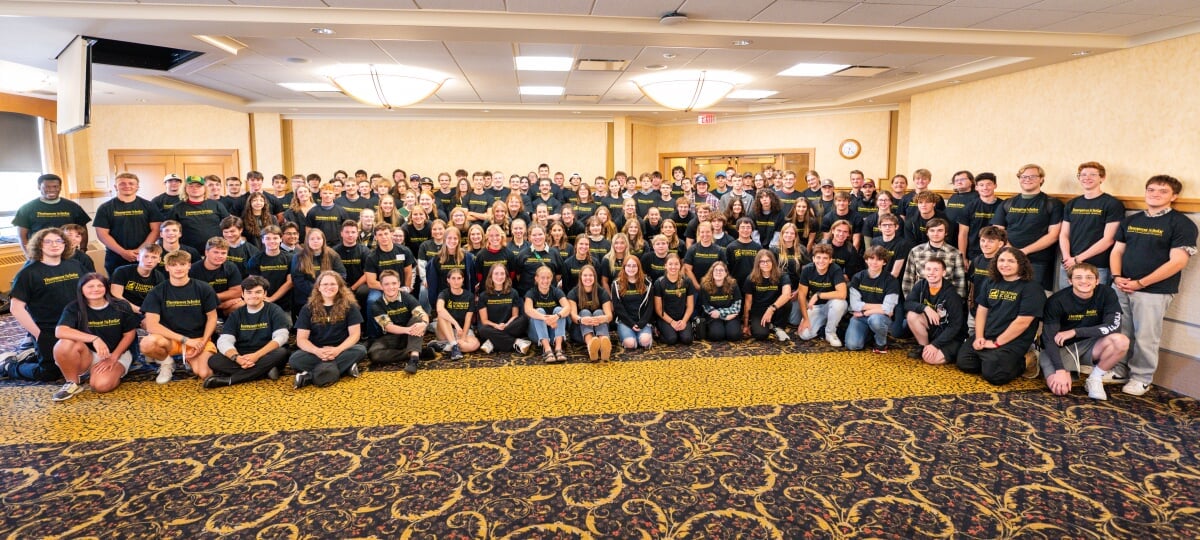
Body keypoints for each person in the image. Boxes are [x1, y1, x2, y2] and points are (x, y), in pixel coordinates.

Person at [1110, 174, 1197, 396]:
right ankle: (1118, 370)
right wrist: (1116, 276)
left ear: (1174, 196)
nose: (1155, 194)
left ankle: (1141, 378)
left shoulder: (1181, 224)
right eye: (1151, 190)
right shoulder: (1132, 220)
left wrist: (1141, 283)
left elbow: (1178, 261)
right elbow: (1117, 251)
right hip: (1122, 286)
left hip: (1153, 291)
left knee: (1146, 336)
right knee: (1121, 331)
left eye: (1162, 191)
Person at [0, 229, 85, 381]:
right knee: (49, 373)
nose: (54, 245)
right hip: (47, 330)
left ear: (64, 244)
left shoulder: (75, 265)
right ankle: (10, 366)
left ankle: (31, 353)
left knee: (80, 363)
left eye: (58, 241)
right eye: (48, 241)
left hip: (76, 325)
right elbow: (16, 308)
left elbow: (88, 291)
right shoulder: (28, 272)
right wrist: (38, 334)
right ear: (39, 245)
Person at [958, 247, 1046, 385]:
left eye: (1011, 261)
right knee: (965, 362)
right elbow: (982, 310)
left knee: (995, 376)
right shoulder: (991, 281)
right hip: (989, 333)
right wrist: (979, 336)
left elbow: (1023, 322)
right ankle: (992, 359)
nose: (1005, 264)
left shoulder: (1032, 288)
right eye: (1001, 260)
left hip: (1014, 339)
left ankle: (1028, 359)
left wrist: (997, 343)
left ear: (1021, 264)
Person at [1041, 263, 1128, 400]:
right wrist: (1060, 369)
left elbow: (1113, 326)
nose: (1084, 281)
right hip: (1062, 347)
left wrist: (1076, 332)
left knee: (1121, 341)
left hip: (1089, 344)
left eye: (1089, 277)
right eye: (1078, 277)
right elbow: (1048, 338)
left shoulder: (1107, 293)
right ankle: (1059, 365)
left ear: (1097, 281)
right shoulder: (1057, 301)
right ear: (1070, 281)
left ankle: (1095, 378)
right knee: (1060, 389)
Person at [50, 273, 139, 401]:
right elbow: (60, 331)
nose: (95, 289)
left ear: (106, 288)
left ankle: (102, 374)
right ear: (82, 289)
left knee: (101, 386)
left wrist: (113, 358)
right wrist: (94, 339)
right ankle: (72, 383)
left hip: (116, 353)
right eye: (90, 286)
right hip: (88, 354)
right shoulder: (74, 308)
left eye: (99, 285)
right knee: (63, 344)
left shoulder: (121, 306)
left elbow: (130, 334)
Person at [139, 250, 219, 384]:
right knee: (147, 344)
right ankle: (166, 363)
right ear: (166, 267)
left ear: (189, 266)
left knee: (205, 374)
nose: (179, 268)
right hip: (171, 339)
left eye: (182, 264)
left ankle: (190, 359)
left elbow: (212, 318)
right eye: (174, 265)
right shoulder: (157, 291)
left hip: (198, 339)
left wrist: (202, 343)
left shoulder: (203, 288)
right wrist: (185, 340)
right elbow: (152, 325)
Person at [203, 276, 291, 388]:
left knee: (282, 353)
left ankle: (231, 380)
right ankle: (263, 371)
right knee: (214, 361)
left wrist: (257, 355)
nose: (253, 296)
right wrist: (237, 358)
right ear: (243, 295)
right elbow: (224, 340)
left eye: (258, 292)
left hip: (267, 352)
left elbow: (281, 337)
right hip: (243, 352)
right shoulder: (236, 314)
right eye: (249, 292)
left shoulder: (274, 310)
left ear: (265, 294)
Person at [990, 164, 1063, 290]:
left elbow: (1053, 235)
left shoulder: (1052, 203)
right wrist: (1012, 251)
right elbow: (997, 231)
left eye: (1033, 176)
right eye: (1023, 176)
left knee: (1033, 295)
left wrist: (1024, 251)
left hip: (1038, 262)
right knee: (1009, 294)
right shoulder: (1007, 203)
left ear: (1041, 179)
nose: (1027, 179)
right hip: (1008, 258)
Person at [291, 271, 367, 389]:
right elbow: (301, 339)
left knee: (361, 350)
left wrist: (337, 350)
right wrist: (317, 351)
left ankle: (309, 377)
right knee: (295, 359)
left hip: (342, 349)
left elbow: (355, 335)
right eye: (325, 284)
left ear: (339, 287)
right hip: (316, 351)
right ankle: (345, 369)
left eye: (333, 284)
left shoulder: (350, 306)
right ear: (318, 288)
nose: (329, 287)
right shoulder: (307, 308)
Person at [1059, 162, 1125, 286]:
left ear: (1102, 178)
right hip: (1069, 265)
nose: (1087, 178)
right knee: (1066, 302)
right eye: (1083, 175)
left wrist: (1078, 259)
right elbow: (1064, 234)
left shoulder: (1112, 204)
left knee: (1094, 304)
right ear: (1079, 178)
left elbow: (1108, 239)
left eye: (1093, 175)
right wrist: (1068, 258)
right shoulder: (1072, 204)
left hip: (1096, 266)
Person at [94, 172, 163, 277]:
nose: (127, 186)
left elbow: (156, 230)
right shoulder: (105, 208)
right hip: (115, 256)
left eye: (131, 183)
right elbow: (102, 234)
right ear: (115, 186)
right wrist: (122, 252)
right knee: (116, 289)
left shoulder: (149, 206)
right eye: (122, 183)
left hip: (145, 256)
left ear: (137, 186)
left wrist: (141, 251)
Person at [902, 258, 965, 365]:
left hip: (951, 335)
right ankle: (924, 347)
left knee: (930, 359)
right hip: (935, 328)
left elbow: (955, 326)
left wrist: (936, 344)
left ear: (943, 272)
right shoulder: (921, 285)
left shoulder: (951, 294)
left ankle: (955, 351)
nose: (931, 272)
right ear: (924, 271)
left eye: (936, 270)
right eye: (928, 269)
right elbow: (907, 303)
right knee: (912, 315)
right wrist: (926, 308)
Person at [368, 269, 430, 374]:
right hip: (392, 336)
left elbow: (422, 314)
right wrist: (408, 330)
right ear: (381, 286)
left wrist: (424, 324)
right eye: (386, 284)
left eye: (394, 283)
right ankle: (415, 352)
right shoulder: (376, 305)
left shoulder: (408, 298)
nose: (391, 287)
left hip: (410, 336)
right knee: (374, 354)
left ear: (399, 284)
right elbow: (388, 327)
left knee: (418, 320)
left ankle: (414, 359)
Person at [14, 173, 91, 256]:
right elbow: (22, 235)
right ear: (39, 187)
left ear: (60, 188)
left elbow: (83, 230)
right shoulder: (27, 208)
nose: (51, 190)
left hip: (69, 253)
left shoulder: (73, 207)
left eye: (55, 186)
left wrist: (83, 249)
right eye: (47, 187)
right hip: (40, 254)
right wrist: (30, 255)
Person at [846, 246, 901, 352]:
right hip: (860, 318)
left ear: (884, 262)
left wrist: (864, 313)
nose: (874, 262)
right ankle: (871, 334)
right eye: (871, 258)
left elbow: (888, 310)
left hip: (879, 317)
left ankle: (881, 343)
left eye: (879, 259)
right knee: (852, 345)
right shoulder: (858, 277)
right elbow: (855, 305)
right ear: (866, 260)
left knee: (875, 320)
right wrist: (881, 306)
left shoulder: (891, 281)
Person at [901, 218, 967, 300]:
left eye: (940, 230)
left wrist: (955, 303)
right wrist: (910, 301)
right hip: (920, 298)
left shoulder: (955, 253)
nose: (935, 234)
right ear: (927, 233)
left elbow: (959, 282)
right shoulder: (915, 251)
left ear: (946, 233)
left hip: (946, 299)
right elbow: (908, 279)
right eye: (932, 230)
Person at [475, 263, 532, 356]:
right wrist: (496, 326)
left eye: (502, 274)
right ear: (491, 276)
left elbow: (515, 316)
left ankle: (493, 342)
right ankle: (516, 342)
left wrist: (505, 325)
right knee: (482, 329)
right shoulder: (483, 295)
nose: (499, 276)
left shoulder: (513, 293)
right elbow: (485, 320)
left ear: (506, 276)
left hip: (509, 325)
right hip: (491, 327)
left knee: (524, 320)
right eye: (496, 274)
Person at [796, 244, 847, 346]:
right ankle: (824, 325)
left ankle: (830, 332)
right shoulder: (807, 270)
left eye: (825, 258)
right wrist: (805, 318)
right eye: (818, 257)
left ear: (830, 260)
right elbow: (801, 295)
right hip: (816, 307)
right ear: (813, 259)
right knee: (804, 335)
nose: (821, 261)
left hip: (832, 305)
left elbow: (842, 294)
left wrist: (818, 295)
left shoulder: (835, 269)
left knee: (839, 303)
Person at [166, 175, 231, 253]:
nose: (195, 188)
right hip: (187, 251)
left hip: (216, 250)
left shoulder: (217, 205)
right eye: (191, 186)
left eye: (198, 186)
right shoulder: (177, 208)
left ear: (205, 188)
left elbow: (229, 225)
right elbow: (168, 229)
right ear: (185, 189)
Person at [744, 249, 795, 342]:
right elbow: (748, 303)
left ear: (773, 262)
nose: (765, 264)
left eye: (768, 261)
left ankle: (778, 327)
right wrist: (746, 325)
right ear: (757, 264)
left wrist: (771, 309)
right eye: (762, 261)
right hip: (759, 310)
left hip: (776, 308)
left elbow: (787, 294)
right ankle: (770, 326)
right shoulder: (751, 278)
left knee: (787, 302)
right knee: (761, 335)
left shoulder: (782, 275)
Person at [290, 228, 347, 312]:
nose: (315, 241)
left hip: (330, 295)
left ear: (323, 240)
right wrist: (319, 290)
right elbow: (298, 280)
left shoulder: (333, 255)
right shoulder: (298, 257)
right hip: (306, 297)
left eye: (318, 238)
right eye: (312, 239)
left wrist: (327, 290)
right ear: (307, 241)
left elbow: (341, 275)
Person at [567, 264, 614, 362]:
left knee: (599, 312)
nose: (588, 278)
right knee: (584, 312)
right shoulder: (573, 292)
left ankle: (603, 344)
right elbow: (573, 316)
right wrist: (582, 320)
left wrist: (603, 318)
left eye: (590, 275)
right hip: (579, 331)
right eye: (585, 275)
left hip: (599, 329)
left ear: (595, 277)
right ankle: (590, 345)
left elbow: (609, 316)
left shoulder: (601, 292)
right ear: (580, 277)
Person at [525, 266, 571, 363]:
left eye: (548, 278)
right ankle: (547, 349)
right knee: (539, 311)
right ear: (536, 279)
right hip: (537, 334)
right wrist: (545, 319)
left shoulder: (556, 291)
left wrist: (556, 316)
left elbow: (568, 308)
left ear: (551, 279)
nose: (545, 281)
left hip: (553, 332)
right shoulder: (531, 292)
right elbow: (528, 310)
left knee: (559, 310)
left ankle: (558, 348)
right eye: (542, 278)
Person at [189, 237, 245, 316]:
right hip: (201, 307)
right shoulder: (193, 269)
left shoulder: (231, 267)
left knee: (241, 304)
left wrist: (214, 299)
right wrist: (220, 305)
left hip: (224, 305)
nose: (220, 256)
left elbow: (237, 292)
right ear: (206, 252)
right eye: (216, 252)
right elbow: (191, 296)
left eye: (223, 253)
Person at [246, 225, 294, 314]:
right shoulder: (255, 260)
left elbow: (290, 283)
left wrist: (271, 299)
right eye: (268, 238)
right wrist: (262, 299)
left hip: (285, 305)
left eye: (275, 238)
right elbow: (253, 283)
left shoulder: (290, 258)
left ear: (281, 239)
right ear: (263, 240)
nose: (272, 241)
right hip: (262, 303)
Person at [434, 268, 480, 361]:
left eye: (459, 278)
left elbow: (468, 319)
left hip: (462, 331)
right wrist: (455, 324)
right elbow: (439, 309)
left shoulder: (469, 296)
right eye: (453, 278)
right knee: (442, 314)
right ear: (448, 280)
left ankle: (446, 346)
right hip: (445, 330)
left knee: (475, 345)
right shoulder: (444, 293)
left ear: (463, 279)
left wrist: (463, 338)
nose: (456, 281)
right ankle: (454, 346)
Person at [651, 254, 695, 346]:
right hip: (665, 318)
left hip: (682, 317)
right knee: (672, 339)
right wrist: (672, 322)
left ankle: (680, 330)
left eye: (676, 264)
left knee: (687, 339)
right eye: (670, 264)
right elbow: (658, 309)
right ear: (665, 266)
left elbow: (690, 306)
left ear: (680, 265)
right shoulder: (659, 282)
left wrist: (684, 321)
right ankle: (659, 330)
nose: (673, 267)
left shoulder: (687, 281)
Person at [957, 172, 1002, 261]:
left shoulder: (1003, 205)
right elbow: (963, 234)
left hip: (997, 253)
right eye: (981, 185)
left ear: (995, 186)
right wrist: (963, 257)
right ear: (976, 187)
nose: (985, 188)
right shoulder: (969, 207)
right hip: (974, 253)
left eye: (988, 184)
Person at [110, 244, 166, 315]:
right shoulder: (122, 271)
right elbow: (116, 295)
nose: (149, 261)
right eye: (146, 256)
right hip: (123, 311)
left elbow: (159, 300)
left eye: (154, 257)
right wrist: (141, 311)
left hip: (147, 311)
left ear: (159, 260)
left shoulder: (159, 277)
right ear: (138, 257)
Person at [612, 256, 654, 350]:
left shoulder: (647, 283)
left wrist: (641, 323)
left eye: (634, 266)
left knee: (645, 341)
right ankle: (628, 338)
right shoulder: (616, 284)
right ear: (624, 267)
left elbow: (650, 307)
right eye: (628, 266)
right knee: (630, 344)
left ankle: (643, 337)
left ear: (638, 267)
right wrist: (631, 324)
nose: (631, 269)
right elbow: (618, 308)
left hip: (642, 321)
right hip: (625, 321)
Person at [698, 261, 742, 342]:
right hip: (713, 316)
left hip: (730, 315)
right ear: (712, 272)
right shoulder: (704, 285)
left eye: (721, 270)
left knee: (734, 336)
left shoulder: (733, 284)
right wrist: (723, 316)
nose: (718, 272)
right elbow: (706, 307)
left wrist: (720, 314)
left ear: (726, 273)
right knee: (717, 335)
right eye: (716, 270)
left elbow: (737, 307)